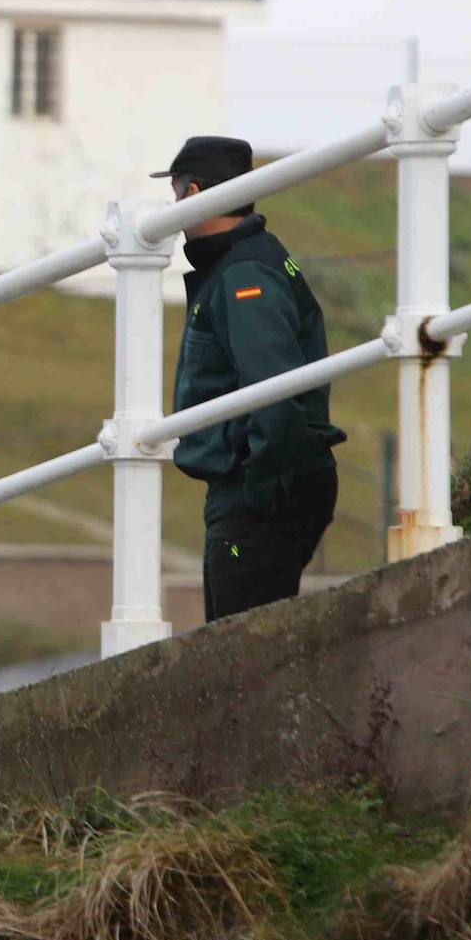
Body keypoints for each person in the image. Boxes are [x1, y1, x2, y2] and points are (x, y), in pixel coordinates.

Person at [155, 137, 347, 623]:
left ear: (194, 193)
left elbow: (274, 391)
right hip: (264, 488)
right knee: (244, 647)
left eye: (177, 194)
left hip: (257, 496)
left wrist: (259, 493)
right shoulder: (253, 258)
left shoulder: (244, 274)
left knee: (239, 656)